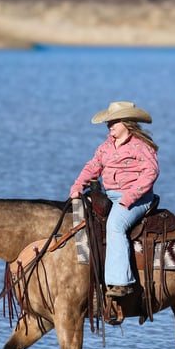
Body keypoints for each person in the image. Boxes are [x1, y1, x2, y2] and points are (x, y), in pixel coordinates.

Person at [69, 101, 160, 298]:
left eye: (114, 122)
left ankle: (121, 282)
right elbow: (93, 166)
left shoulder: (140, 146)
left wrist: (129, 197)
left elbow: (151, 172)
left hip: (137, 198)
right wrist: (78, 186)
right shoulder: (106, 147)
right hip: (110, 195)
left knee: (115, 225)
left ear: (126, 123)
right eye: (108, 122)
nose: (109, 126)